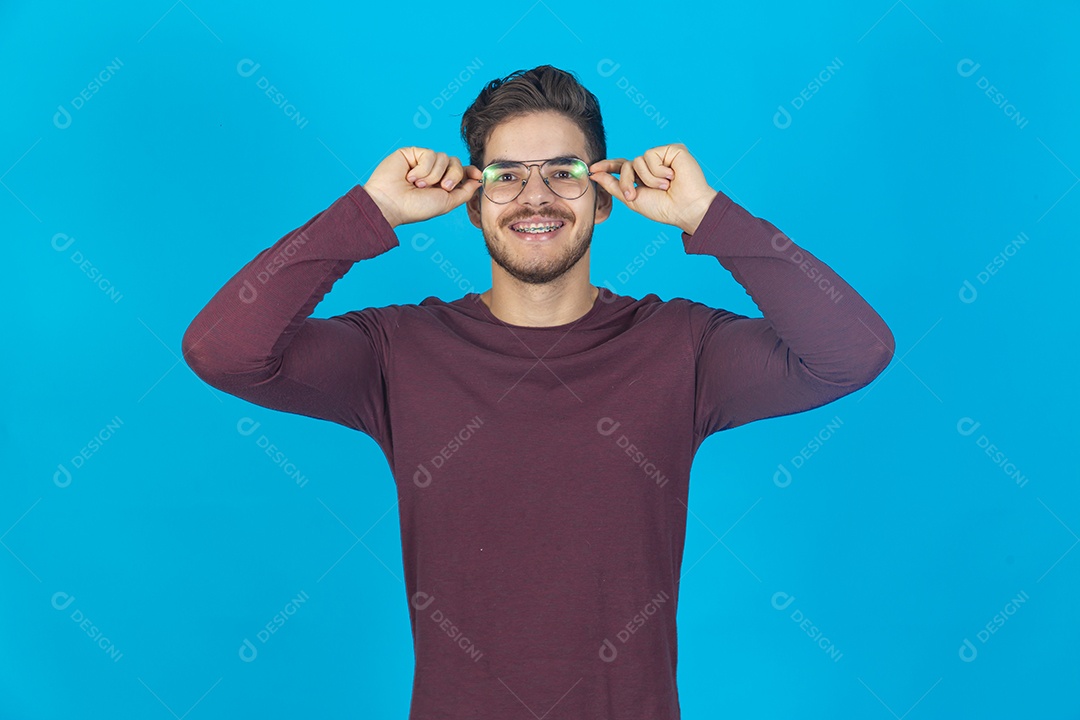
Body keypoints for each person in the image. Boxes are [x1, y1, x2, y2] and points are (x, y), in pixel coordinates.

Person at [183, 64, 894, 719]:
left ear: (604, 198)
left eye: (564, 172)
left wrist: (708, 214)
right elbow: (224, 352)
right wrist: (370, 210)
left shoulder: (682, 347)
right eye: (506, 176)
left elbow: (852, 353)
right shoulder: (397, 352)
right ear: (471, 202)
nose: (535, 197)